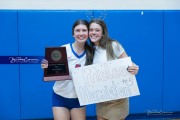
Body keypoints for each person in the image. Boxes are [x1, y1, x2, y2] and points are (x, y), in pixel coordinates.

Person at [88, 19, 139, 120]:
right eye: (91, 30)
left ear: (103, 33)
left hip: (117, 99)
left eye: (97, 30)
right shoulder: (90, 50)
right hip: (102, 99)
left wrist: (134, 68)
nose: (93, 32)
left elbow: (129, 63)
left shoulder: (113, 45)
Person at [41, 20, 93, 120]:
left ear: (88, 33)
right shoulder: (63, 49)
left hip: (79, 99)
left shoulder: (92, 52)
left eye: (84, 30)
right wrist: (46, 68)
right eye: (77, 30)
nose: (81, 33)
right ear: (73, 34)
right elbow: (50, 75)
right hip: (60, 96)